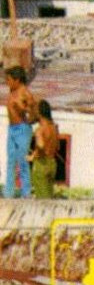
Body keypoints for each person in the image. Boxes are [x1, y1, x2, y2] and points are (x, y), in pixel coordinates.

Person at [6, 67, 37, 198]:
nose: (8, 82)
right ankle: (8, 193)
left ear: (17, 80)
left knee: (22, 162)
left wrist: (26, 116)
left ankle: (26, 193)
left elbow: (34, 111)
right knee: (11, 161)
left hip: (22, 128)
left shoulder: (25, 93)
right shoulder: (12, 91)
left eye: (9, 80)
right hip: (12, 128)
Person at [28, 100, 59, 199]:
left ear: (39, 112)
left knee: (42, 197)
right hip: (52, 163)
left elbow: (41, 145)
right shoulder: (54, 128)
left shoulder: (40, 129)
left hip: (41, 163)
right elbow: (57, 147)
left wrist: (34, 155)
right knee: (49, 195)